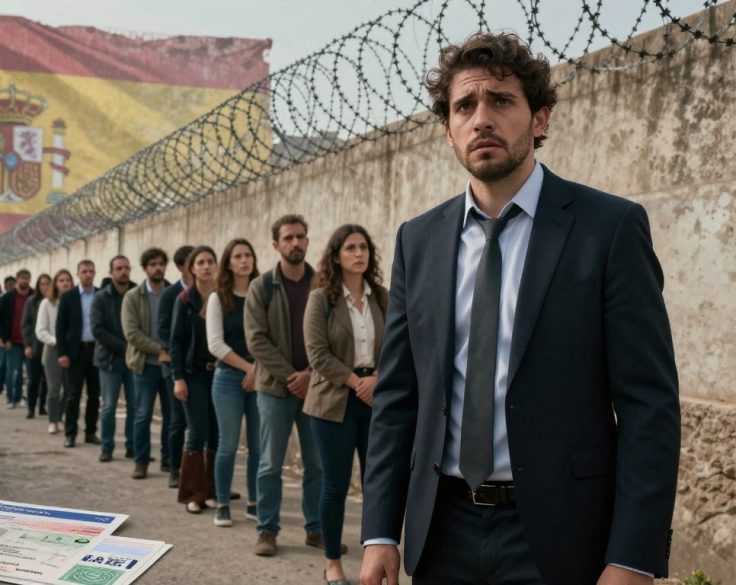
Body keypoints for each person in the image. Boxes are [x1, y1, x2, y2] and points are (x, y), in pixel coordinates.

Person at [360, 33, 680, 585]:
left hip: (562, 537)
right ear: (448, 130)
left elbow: (649, 404)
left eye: (502, 101)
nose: (482, 118)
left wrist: (633, 557)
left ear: (540, 119)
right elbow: (397, 397)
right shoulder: (419, 241)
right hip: (441, 533)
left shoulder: (607, 229)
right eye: (465, 106)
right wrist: (380, 533)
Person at [304, 225, 387, 584]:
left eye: (364, 247)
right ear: (336, 255)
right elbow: (317, 353)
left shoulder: (381, 296)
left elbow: (403, 344)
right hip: (334, 401)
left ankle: (376, 555)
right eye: (350, 248)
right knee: (335, 485)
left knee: (377, 484)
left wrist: (378, 378)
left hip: (377, 398)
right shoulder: (322, 298)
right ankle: (333, 560)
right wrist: (356, 382)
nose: (359, 253)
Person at [244, 214, 327, 557]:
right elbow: (256, 340)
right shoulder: (261, 286)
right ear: (276, 244)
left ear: (308, 241)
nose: (296, 243)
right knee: (270, 464)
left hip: (316, 388)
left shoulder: (323, 284)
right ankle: (267, 529)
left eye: (301, 237)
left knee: (317, 464)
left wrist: (310, 374)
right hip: (274, 390)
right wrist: (292, 376)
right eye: (288, 238)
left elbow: (335, 335)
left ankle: (316, 528)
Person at [206, 239, 261, 528]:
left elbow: (270, 337)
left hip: (260, 379)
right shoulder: (218, 297)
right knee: (228, 445)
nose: (244, 261)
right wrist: (249, 368)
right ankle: (223, 502)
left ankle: (254, 502)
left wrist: (258, 370)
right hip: (228, 378)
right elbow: (215, 344)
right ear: (228, 262)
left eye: (248, 255)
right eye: (238, 256)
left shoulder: (262, 293)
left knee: (257, 446)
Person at [170, 246, 220, 514]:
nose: (206, 266)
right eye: (200, 262)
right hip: (193, 375)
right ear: (192, 269)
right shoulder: (184, 300)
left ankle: (211, 490)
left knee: (217, 434)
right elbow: (176, 342)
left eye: (210, 261)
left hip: (220, 374)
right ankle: (191, 493)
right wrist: (178, 378)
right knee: (197, 431)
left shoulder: (222, 296)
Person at [122, 248, 173, 479]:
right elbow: (132, 333)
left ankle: (168, 459)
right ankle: (140, 461)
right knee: (143, 414)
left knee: (171, 416)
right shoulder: (133, 296)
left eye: (161, 263)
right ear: (145, 268)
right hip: (144, 365)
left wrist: (170, 352)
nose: (157, 268)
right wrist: (159, 350)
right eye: (152, 264)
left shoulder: (173, 294)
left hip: (169, 365)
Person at [92, 255, 137, 461]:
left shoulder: (137, 294)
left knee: (135, 406)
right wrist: (124, 347)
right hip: (110, 360)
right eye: (119, 268)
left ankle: (133, 446)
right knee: (109, 406)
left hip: (135, 360)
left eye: (127, 268)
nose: (123, 271)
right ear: (111, 272)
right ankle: (107, 446)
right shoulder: (101, 297)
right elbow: (98, 330)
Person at [55, 260, 102, 448]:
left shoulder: (101, 295)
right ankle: (70, 433)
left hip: (96, 353)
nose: (88, 274)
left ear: (95, 273)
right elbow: (60, 327)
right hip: (75, 353)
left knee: (94, 395)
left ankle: (90, 432)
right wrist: (62, 353)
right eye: (84, 271)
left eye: (91, 271)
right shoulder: (69, 297)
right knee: (73, 395)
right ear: (78, 274)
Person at [159, 245, 194, 488]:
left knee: (203, 425)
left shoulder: (212, 291)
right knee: (177, 420)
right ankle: (174, 468)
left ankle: (201, 475)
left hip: (202, 368)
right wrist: (180, 356)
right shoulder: (170, 295)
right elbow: (163, 331)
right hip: (175, 365)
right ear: (182, 267)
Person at [36, 269, 74, 435]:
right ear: (55, 284)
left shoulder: (75, 302)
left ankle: (62, 416)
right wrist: (57, 341)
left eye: (68, 280)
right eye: (61, 280)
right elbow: (40, 330)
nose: (65, 283)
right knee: (53, 389)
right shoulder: (47, 304)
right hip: (53, 350)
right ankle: (53, 420)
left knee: (70, 388)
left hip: (72, 350)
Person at [0, 269, 32, 409]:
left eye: (27, 278)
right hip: (13, 341)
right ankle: (11, 398)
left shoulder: (34, 296)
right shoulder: (6, 298)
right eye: (22, 278)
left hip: (29, 342)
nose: (25, 280)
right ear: (17, 279)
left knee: (30, 374)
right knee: (13, 372)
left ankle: (24, 397)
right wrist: (5, 339)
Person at [22, 273, 52, 419]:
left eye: (47, 283)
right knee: (34, 379)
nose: (45, 286)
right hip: (35, 347)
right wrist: (28, 345)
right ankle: (31, 407)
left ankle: (42, 406)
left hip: (50, 346)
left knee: (47, 380)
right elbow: (25, 324)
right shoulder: (32, 302)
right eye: (42, 284)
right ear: (38, 286)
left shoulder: (55, 301)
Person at [0, 276, 16, 394]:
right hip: (4, 336)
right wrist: (0, 337)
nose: (11, 286)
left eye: (13, 283)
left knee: (12, 365)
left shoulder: (17, 297)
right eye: (9, 284)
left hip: (15, 336)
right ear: (5, 285)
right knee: (2, 363)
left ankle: (11, 386)